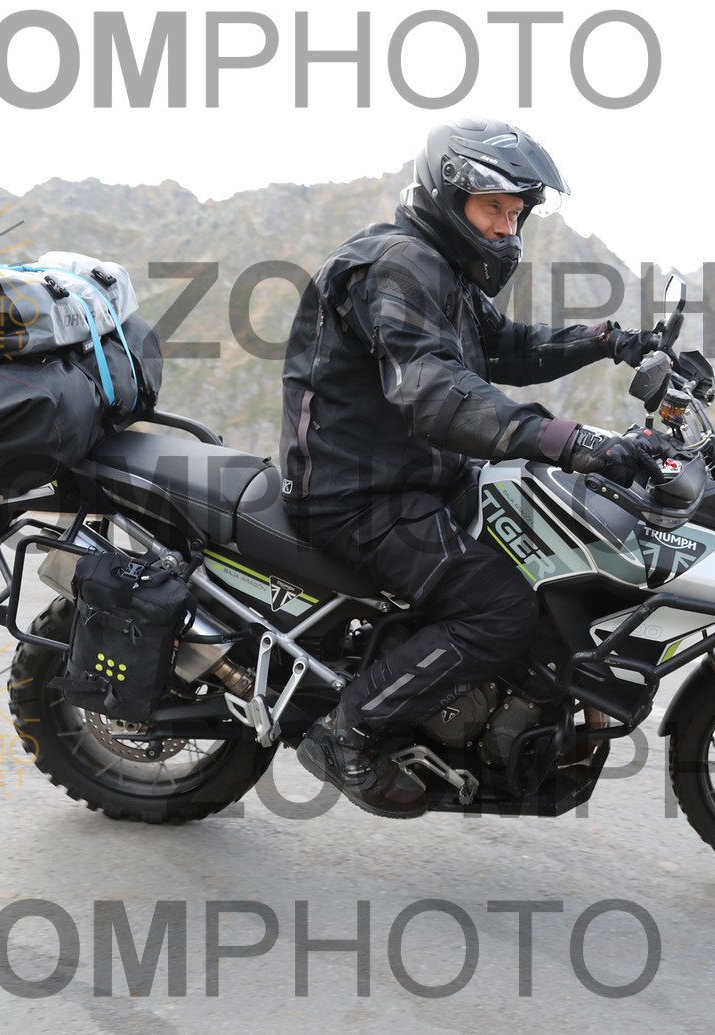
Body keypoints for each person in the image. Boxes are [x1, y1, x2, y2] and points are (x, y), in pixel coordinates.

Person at [279, 117, 672, 817]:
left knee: (548, 558)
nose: (504, 228)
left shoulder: (443, 271)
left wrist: (612, 341)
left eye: (515, 214)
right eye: (493, 208)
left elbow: (509, 349)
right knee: (498, 607)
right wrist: (571, 440)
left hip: (419, 478)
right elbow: (434, 392)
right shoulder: (397, 266)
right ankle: (349, 729)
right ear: (447, 196)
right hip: (355, 493)